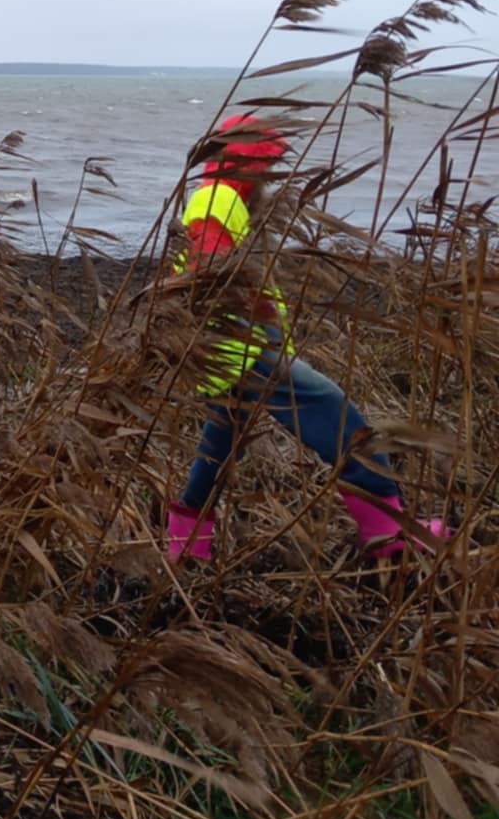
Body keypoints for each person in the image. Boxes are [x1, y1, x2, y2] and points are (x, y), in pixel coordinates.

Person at [167, 114, 446, 563]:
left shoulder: (222, 198)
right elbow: (211, 270)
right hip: (245, 350)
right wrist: (260, 322)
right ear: (245, 162)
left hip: (229, 350)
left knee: (218, 446)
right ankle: (387, 532)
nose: (271, 176)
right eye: (267, 164)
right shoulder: (218, 200)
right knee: (335, 412)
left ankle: (185, 548)